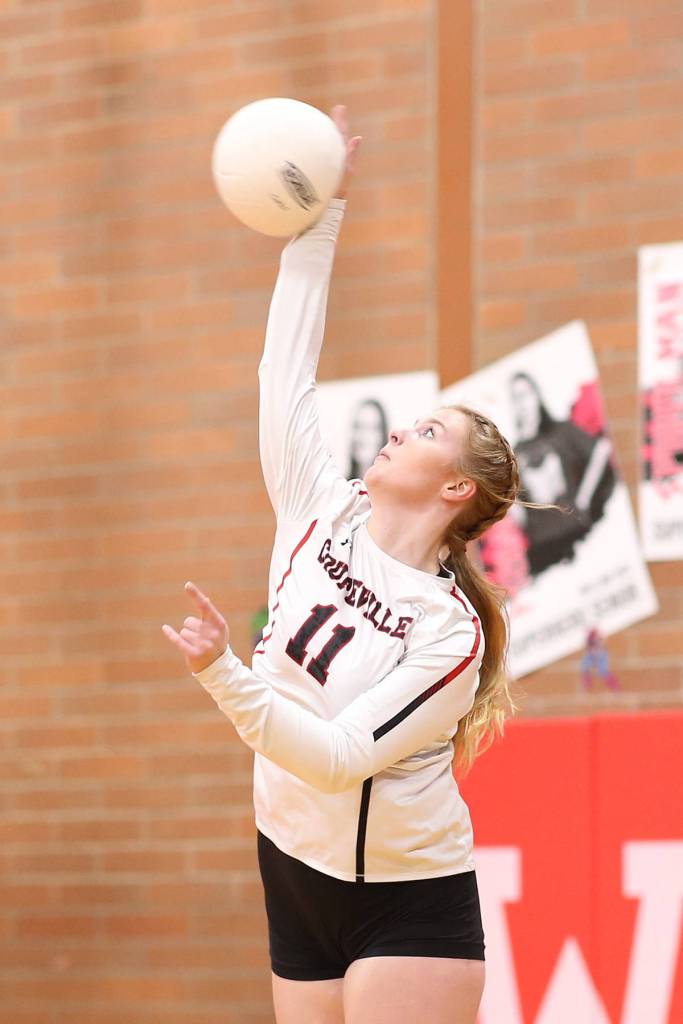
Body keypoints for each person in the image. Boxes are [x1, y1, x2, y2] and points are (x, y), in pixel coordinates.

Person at [162, 107, 521, 1024]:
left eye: (429, 432)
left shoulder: (449, 631)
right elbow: (284, 371)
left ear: (455, 493)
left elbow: (335, 759)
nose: (403, 427)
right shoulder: (318, 506)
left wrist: (222, 676)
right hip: (289, 860)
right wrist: (321, 218)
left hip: (403, 895)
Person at [509, 370, 616, 577]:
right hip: (542, 545)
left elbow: (601, 449)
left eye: (525, 394)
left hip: (575, 533)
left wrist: (583, 497)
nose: (522, 403)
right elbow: (516, 506)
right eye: (516, 398)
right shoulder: (513, 453)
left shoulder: (561, 431)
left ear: (536, 395)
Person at [346, 397, 389, 480]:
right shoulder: (340, 487)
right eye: (358, 426)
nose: (362, 436)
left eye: (372, 428)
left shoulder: (392, 489)